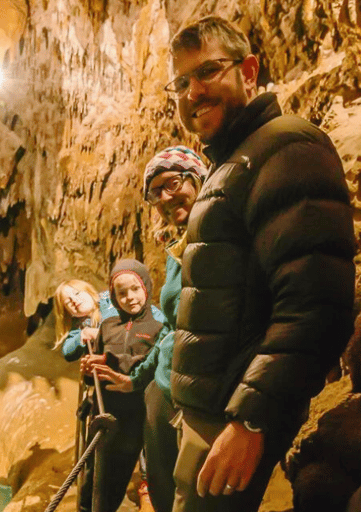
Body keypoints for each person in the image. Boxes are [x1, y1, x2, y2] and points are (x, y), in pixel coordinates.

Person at [165, 16, 355, 512]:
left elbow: (315, 305)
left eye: (208, 71)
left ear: (249, 71)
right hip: (211, 412)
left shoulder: (287, 147)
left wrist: (251, 420)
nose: (193, 91)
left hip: (234, 418)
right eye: (181, 82)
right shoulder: (232, 163)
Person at [95, 145, 208, 512]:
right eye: (155, 192)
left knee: (196, 496)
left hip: (202, 393)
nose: (164, 197)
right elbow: (171, 331)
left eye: (172, 183)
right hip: (163, 386)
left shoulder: (221, 238)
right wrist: (136, 380)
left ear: (197, 178)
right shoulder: (178, 249)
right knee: (164, 492)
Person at [79, 259, 168, 512]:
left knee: (155, 486)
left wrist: (114, 361)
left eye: (135, 289)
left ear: (146, 287)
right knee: (96, 487)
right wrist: (89, 371)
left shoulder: (159, 327)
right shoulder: (107, 326)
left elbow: (154, 364)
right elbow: (97, 372)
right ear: (113, 296)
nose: (129, 297)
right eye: (121, 293)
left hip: (142, 416)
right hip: (107, 416)